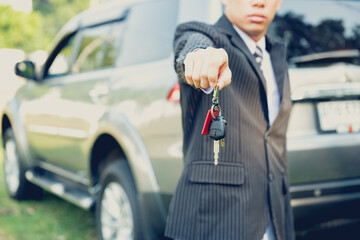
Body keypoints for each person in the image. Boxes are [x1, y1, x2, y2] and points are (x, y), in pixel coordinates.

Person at [165, 0, 294, 239]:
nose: (259, 2)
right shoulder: (205, 36)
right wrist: (201, 57)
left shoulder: (276, 53)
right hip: (216, 220)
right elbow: (193, 43)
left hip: (273, 219)